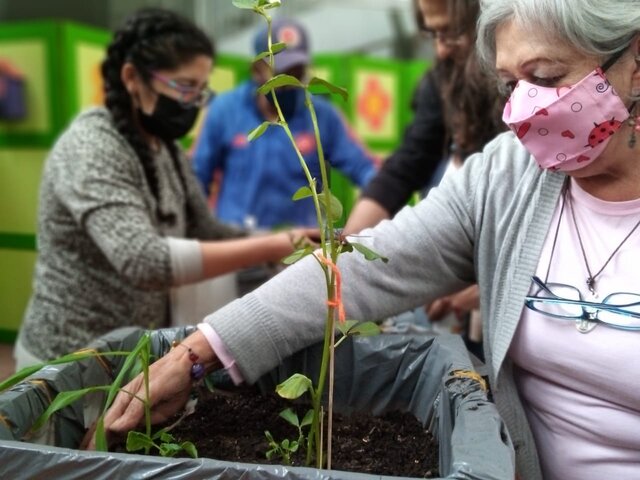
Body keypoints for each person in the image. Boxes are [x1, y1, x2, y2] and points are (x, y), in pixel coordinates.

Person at [101, 0, 640, 478]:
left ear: (634, 63)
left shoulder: (325, 118)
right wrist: (193, 355)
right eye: (509, 85)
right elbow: (367, 267)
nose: (522, 108)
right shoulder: (506, 178)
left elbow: (367, 166)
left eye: (544, 77)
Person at [14, 8, 316, 369]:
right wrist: (272, 245)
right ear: (132, 78)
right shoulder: (91, 146)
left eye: (201, 92)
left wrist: (282, 246)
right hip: (64, 363)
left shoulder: (165, 149)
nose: (192, 104)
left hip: (127, 358)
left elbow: (206, 230)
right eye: (185, 87)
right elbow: (144, 261)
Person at [345, 0, 505, 356]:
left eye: (453, 33)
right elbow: (407, 165)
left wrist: (485, 283)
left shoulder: (521, 92)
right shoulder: (443, 81)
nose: (441, 48)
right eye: (433, 34)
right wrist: (346, 246)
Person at [191, 17, 378, 229]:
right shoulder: (224, 110)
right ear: (256, 69)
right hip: (238, 247)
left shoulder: (322, 116)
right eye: (280, 74)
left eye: (296, 72)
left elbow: (365, 169)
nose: (290, 81)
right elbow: (196, 180)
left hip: (300, 250)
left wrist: (370, 217)